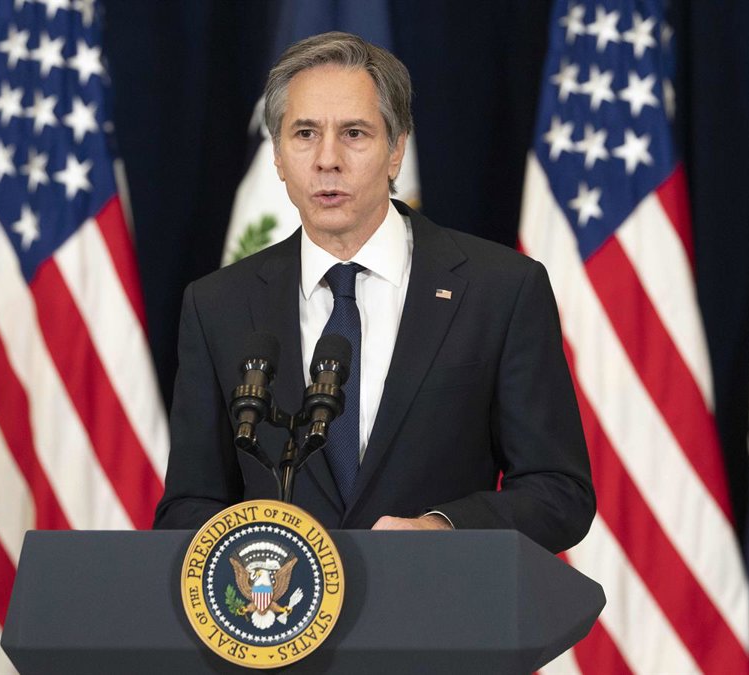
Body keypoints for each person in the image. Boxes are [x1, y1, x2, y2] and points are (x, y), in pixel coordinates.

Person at [154, 31, 594, 554]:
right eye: (304, 133)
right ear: (278, 156)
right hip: (281, 601)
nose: (327, 159)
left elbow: (558, 491)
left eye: (354, 133)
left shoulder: (500, 289)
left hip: (439, 601)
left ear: (396, 150)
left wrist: (444, 529)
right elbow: (189, 505)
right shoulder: (218, 305)